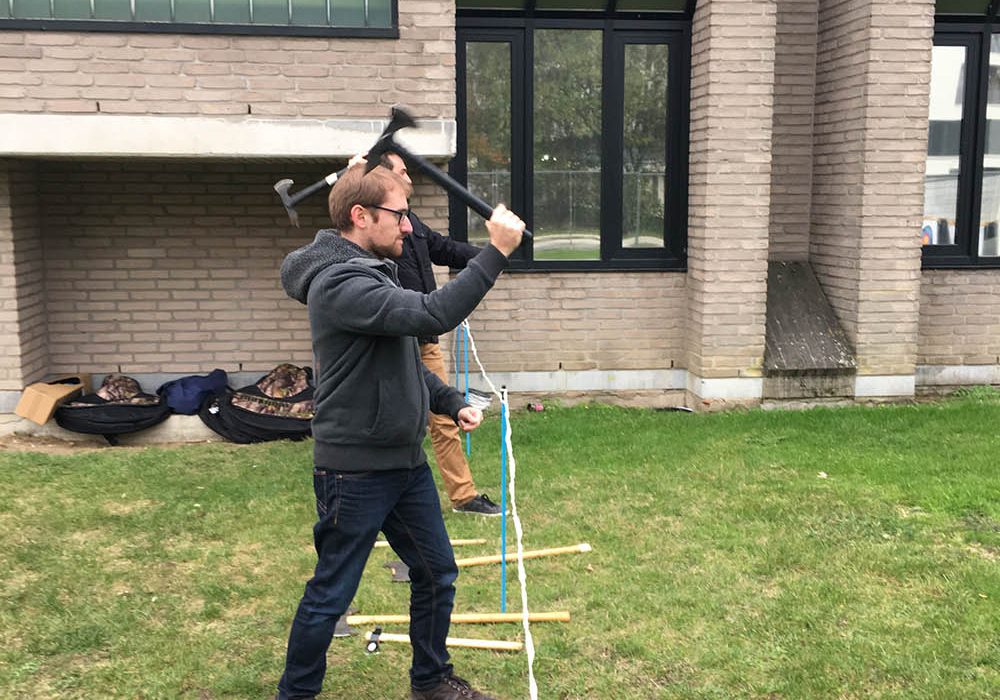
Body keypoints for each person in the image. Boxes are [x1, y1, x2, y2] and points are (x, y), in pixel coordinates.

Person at [275, 161, 524, 700]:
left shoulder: (372, 274)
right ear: (361, 216)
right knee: (331, 593)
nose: (409, 227)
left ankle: (430, 682)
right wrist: (496, 251)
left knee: (436, 573)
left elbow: (402, 362)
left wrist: (450, 401)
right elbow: (434, 314)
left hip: (403, 464)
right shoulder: (339, 284)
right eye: (400, 215)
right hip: (354, 470)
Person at [379, 151, 501, 516]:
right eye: (403, 171)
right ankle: (381, 498)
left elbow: (443, 249)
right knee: (390, 423)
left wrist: (492, 255)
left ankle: (463, 496)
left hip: (424, 339)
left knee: (445, 417)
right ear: (385, 177)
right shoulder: (376, 227)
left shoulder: (410, 222)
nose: (410, 178)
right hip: (389, 340)